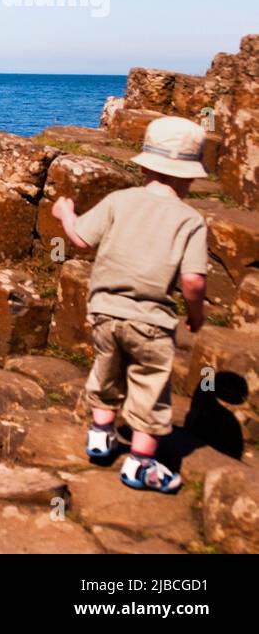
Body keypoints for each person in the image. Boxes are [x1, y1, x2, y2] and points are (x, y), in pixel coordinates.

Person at [51, 116, 209, 494]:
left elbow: (81, 240)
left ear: (144, 167)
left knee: (105, 372)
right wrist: (196, 314)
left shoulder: (119, 200)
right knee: (148, 388)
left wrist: (65, 214)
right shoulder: (191, 220)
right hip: (151, 322)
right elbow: (193, 280)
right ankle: (140, 464)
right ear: (188, 176)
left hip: (104, 313)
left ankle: (101, 436)